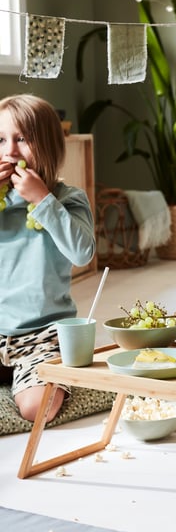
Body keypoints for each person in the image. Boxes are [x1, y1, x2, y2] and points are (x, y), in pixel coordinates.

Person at [0, 94, 96, 422]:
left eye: (22, 139)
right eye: (0, 140)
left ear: (48, 146)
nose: (10, 151)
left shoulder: (68, 199)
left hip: (43, 334)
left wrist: (42, 199)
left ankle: (31, 378)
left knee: (37, 408)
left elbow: (83, 253)